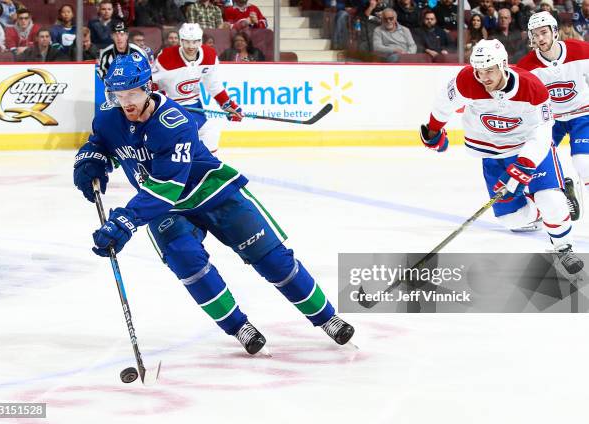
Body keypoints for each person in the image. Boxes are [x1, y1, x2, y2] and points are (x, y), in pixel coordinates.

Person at [72, 53, 355, 355]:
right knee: (187, 262)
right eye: (118, 95)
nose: (125, 101)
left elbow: (167, 187)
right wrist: (90, 160)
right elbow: (101, 143)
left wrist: (126, 220)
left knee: (272, 259)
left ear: (148, 87)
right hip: (165, 209)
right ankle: (238, 326)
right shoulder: (106, 116)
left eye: (132, 93)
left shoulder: (174, 122)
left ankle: (326, 318)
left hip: (211, 193)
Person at [420, 39, 584, 274]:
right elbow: (444, 104)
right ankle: (540, 210)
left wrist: (524, 166)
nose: (484, 77)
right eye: (479, 71)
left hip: (529, 149)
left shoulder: (532, 87)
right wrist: (434, 130)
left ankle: (562, 246)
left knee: (552, 201)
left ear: (503, 65)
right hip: (493, 154)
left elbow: (543, 131)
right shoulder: (466, 80)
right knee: (513, 219)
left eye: (489, 70)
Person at [517, 12, 589, 221]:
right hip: (550, 120)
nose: (540, 38)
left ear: (555, 32)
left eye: (544, 32)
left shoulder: (581, 50)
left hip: (582, 114)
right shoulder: (526, 67)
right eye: (535, 34)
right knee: (534, 160)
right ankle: (561, 186)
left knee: (584, 163)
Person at [153, 23, 242, 152]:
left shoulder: (209, 56)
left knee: (210, 134)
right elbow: (150, 82)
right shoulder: (166, 57)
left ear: (200, 41)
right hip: (169, 106)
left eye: (195, 42)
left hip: (193, 105)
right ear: (181, 40)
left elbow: (213, 85)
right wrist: (158, 98)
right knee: (179, 140)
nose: (191, 46)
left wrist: (229, 106)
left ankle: (207, 168)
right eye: (187, 42)